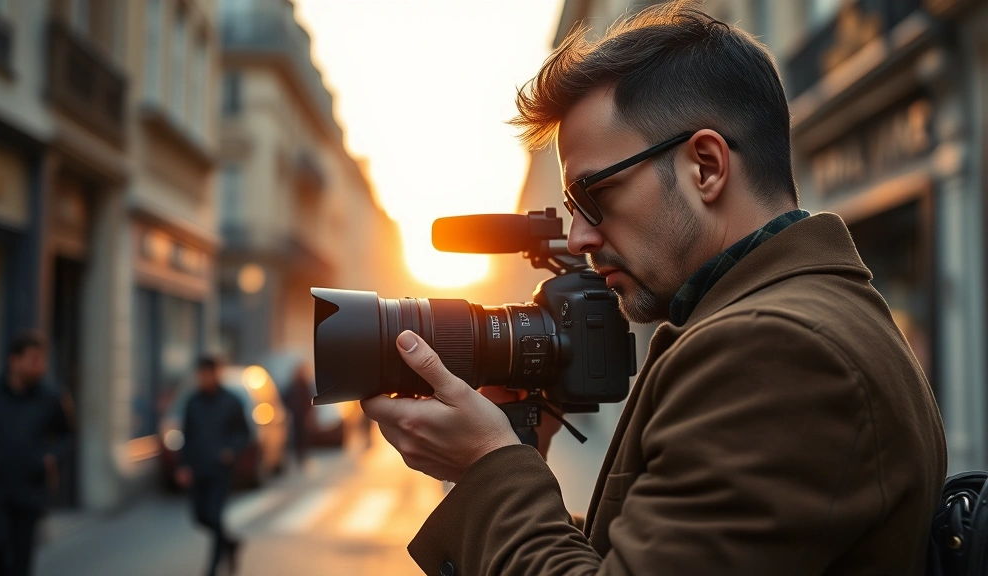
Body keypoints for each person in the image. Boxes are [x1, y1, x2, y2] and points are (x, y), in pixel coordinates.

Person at [360, 2, 948, 575]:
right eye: (571, 207)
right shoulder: (795, 318)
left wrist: (489, 465)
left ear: (706, 167)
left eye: (596, 196)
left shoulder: (775, 350)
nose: (581, 237)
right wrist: (518, 458)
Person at [0, 329, 72, 576]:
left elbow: (66, 434)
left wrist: (51, 457)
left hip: (30, 485)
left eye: (43, 361)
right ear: (14, 360)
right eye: (34, 360)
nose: (40, 367)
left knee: (22, 557)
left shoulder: (52, 396)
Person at [176, 356, 249, 576]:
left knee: (215, 516)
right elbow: (186, 435)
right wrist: (183, 465)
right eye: (201, 374)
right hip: (198, 468)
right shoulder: (192, 402)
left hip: (220, 470)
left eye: (208, 374)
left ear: (217, 374)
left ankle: (212, 569)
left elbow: (243, 433)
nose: (204, 378)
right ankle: (231, 544)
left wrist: (230, 450)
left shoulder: (231, 401)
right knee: (200, 517)